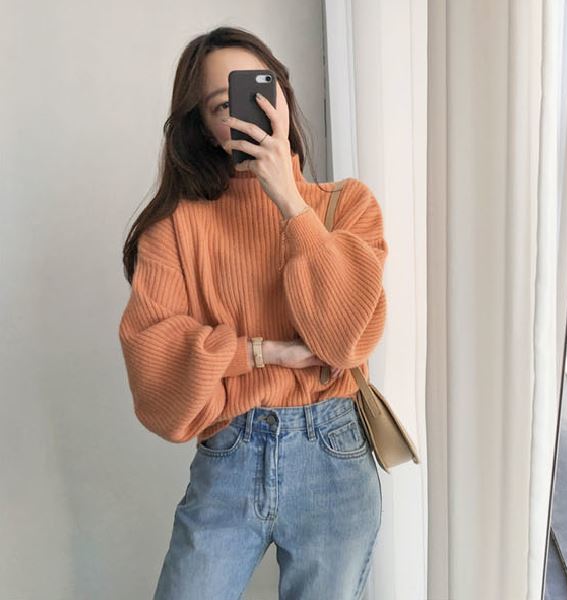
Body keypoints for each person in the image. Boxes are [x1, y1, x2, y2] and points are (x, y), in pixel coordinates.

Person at [118, 25, 386, 600]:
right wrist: (262, 352)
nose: (251, 112)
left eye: (261, 90)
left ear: (282, 96)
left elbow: (342, 341)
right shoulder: (176, 227)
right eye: (225, 104)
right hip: (230, 454)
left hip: (334, 456)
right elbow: (154, 370)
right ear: (204, 127)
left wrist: (289, 199)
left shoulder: (348, 206)